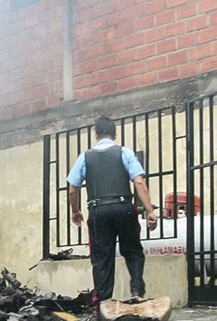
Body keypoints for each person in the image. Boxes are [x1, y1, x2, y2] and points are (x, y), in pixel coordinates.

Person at [67, 116, 158, 303]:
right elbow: (139, 181)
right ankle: (137, 292)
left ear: (95, 135)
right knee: (133, 251)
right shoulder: (125, 152)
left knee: (101, 257)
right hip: (124, 207)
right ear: (115, 135)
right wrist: (150, 210)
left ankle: (103, 301)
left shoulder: (85, 157)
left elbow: (72, 190)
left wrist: (75, 211)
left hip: (98, 209)